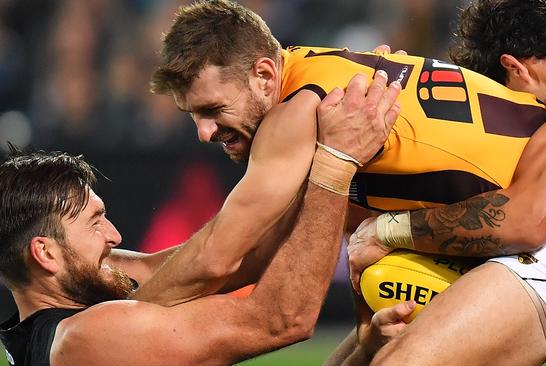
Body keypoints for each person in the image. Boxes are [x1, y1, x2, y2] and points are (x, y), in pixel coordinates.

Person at [147, 1, 546, 365]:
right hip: (503, 227)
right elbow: (254, 253)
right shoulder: (325, 83)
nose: (204, 132)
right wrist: (126, 273)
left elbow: (219, 256)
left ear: (263, 74)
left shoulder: (299, 110)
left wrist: (118, 318)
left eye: (212, 110)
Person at [0, 72, 400, 365]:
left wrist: (361, 350)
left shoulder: (50, 319)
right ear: (46, 254)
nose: (115, 235)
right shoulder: (86, 338)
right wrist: (335, 163)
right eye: (95, 221)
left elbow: (214, 264)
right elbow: (279, 319)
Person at [343, 1, 546, 364]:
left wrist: (386, 229)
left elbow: (528, 220)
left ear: (514, 69)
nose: (519, 114)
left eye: (505, 99)